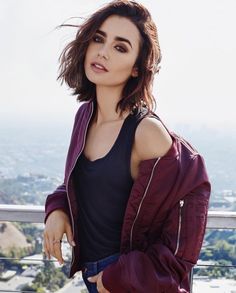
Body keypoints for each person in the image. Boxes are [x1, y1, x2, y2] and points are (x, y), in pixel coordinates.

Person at [43, 1, 211, 292]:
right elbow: (87, 184)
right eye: (98, 38)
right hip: (93, 276)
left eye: (120, 47)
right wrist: (57, 209)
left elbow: (184, 236)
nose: (103, 51)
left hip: (126, 282)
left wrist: (122, 277)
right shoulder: (85, 115)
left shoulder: (147, 133)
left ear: (136, 68)